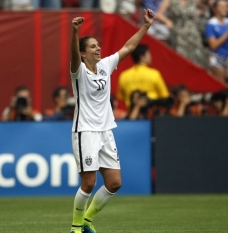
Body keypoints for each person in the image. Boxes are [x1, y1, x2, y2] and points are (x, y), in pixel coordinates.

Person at [69, 9, 155, 233]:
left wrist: (146, 26)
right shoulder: (78, 72)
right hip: (85, 130)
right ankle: (75, 228)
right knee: (88, 183)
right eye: (92, 46)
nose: (98, 48)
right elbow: (73, 55)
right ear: (83, 53)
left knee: (115, 182)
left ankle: (87, 220)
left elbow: (128, 47)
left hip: (106, 131)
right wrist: (75, 32)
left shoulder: (106, 66)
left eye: (98, 45)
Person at [157, 0, 209, 67]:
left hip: (193, 34)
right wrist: (167, 21)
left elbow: (203, 8)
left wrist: (196, 16)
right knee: (181, 58)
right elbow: (159, 15)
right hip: (177, 32)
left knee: (197, 59)